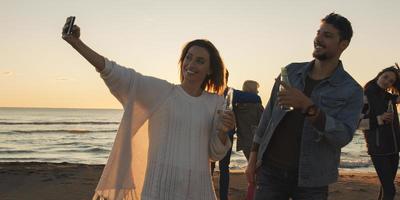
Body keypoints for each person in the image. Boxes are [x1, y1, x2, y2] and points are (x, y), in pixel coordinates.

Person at [62, 21, 235, 200]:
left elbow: (215, 153)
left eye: (200, 61)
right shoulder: (161, 92)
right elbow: (116, 73)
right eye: (188, 57)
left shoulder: (215, 103)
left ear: (210, 70)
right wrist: (77, 44)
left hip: (199, 191)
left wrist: (223, 132)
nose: (191, 64)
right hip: (159, 190)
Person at [245, 13, 364, 200]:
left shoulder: (352, 90)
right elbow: (267, 118)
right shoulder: (290, 71)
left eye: (328, 35)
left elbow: (343, 135)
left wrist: (309, 107)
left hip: (313, 179)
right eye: (319, 32)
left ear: (344, 44)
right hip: (270, 172)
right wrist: (253, 159)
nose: (319, 38)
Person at [210, 72, 261, 200]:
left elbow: (255, 98)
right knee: (222, 168)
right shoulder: (231, 93)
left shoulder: (218, 93)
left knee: (214, 167)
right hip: (219, 135)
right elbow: (256, 98)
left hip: (222, 135)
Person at [359, 66, 400, 200]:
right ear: (379, 75)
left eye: (391, 81)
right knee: (390, 191)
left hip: (394, 149)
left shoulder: (389, 97)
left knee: (386, 189)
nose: (387, 81)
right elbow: (358, 123)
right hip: (378, 149)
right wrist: (379, 119)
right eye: (386, 77)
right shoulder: (365, 95)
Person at [236, 80, 264, 160]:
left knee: (250, 162)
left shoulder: (237, 107)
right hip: (256, 140)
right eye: (256, 89)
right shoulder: (257, 106)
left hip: (243, 140)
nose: (258, 91)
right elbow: (265, 122)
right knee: (258, 165)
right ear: (252, 90)